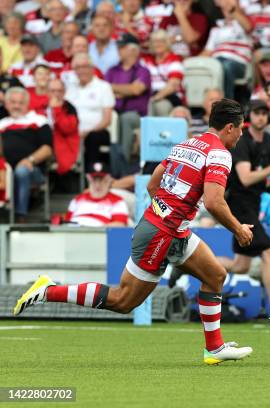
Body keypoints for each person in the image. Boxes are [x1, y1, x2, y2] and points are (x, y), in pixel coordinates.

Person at [14, 98, 254, 365]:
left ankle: (214, 348)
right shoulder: (220, 153)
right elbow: (213, 202)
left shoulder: (185, 144)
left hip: (169, 229)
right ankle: (48, 290)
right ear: (230, 127)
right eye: (242, 128)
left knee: (215, 274)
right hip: (162, 232)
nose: (242, 134)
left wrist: (167, 215)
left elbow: (153, 183)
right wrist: (238, 229)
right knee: (123, 300)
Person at [218, 100, 270, 315]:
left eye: (264, 113)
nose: (261, 117)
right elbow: (246, 178)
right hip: (239, 203)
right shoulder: (243, 140)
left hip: (253, 203)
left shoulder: (267, 140)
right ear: (249, 116)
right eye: (257, 113)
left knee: (241, 266)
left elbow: (269, 177)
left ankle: (188, 262)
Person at [0, 87, 52, 222]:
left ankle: (20, 216)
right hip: (5, 169)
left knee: (21, 171)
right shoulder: (2, 123)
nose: (16, 106)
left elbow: (47, 149)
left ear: (27, 104)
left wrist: (30, 159)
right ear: (6, 104)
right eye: (13, 102)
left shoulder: (39, 120)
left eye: (20, 103)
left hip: (32, 169)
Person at [105, 33, 152, 167]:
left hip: (137, 116)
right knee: (111, 117)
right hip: (114, 111)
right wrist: (127, 89)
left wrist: (115, 89)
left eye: (122, 47)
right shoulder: (112, 70)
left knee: (126, 118)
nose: (118, 50)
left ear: (133, 50)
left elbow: (137, 89)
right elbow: (104, 90)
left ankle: (122, 164)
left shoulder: (143, 71)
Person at [65, 53, 115, 169]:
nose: (82, 71)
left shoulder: (103, 87)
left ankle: (92, 176)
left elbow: (107, 120)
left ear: (92, 68)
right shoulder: (70, 89)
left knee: (93, 138)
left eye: (85, 67)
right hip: (72, 133)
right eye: (78, 68)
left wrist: (87, 131)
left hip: (95, 131)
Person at [201, 0, 252, 99]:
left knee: (225, 66)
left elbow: (248, 27)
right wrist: (188, 62)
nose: (228, 10)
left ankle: (226, 103)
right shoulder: (216, 28)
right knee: (205, 67)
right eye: (225, 8)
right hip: (216, 61)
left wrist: (233, 9)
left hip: (237, 63)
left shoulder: (243, 23)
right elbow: (207, 52)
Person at [65, 162, 130, 226]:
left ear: (109, 181)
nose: (98, 185)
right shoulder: (77, 199)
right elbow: (66, 223)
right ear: (89, 180)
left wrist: (95, 231)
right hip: (73, 233)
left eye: (102, 180)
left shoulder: (117, 201)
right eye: (94, 180)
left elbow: (120, 226)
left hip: (99, 234)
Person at [141, 30, 185, 117]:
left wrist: (154, 99)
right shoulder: (145, 60)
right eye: (154, 41)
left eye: (161, 41)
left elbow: (172, 86)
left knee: (160, 106)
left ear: (167, 43)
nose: (157, 44)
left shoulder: (174, 59)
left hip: (168, 96)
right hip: (148, 95)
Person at [48, 78, 80, 176]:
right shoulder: (42, 105)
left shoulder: (70, 107)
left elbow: (67, 129)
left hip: (62, 147)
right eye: (53, 91)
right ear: (47, 92)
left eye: (59, 91)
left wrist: (57, 110)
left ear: (64, 92)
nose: (56, 94)